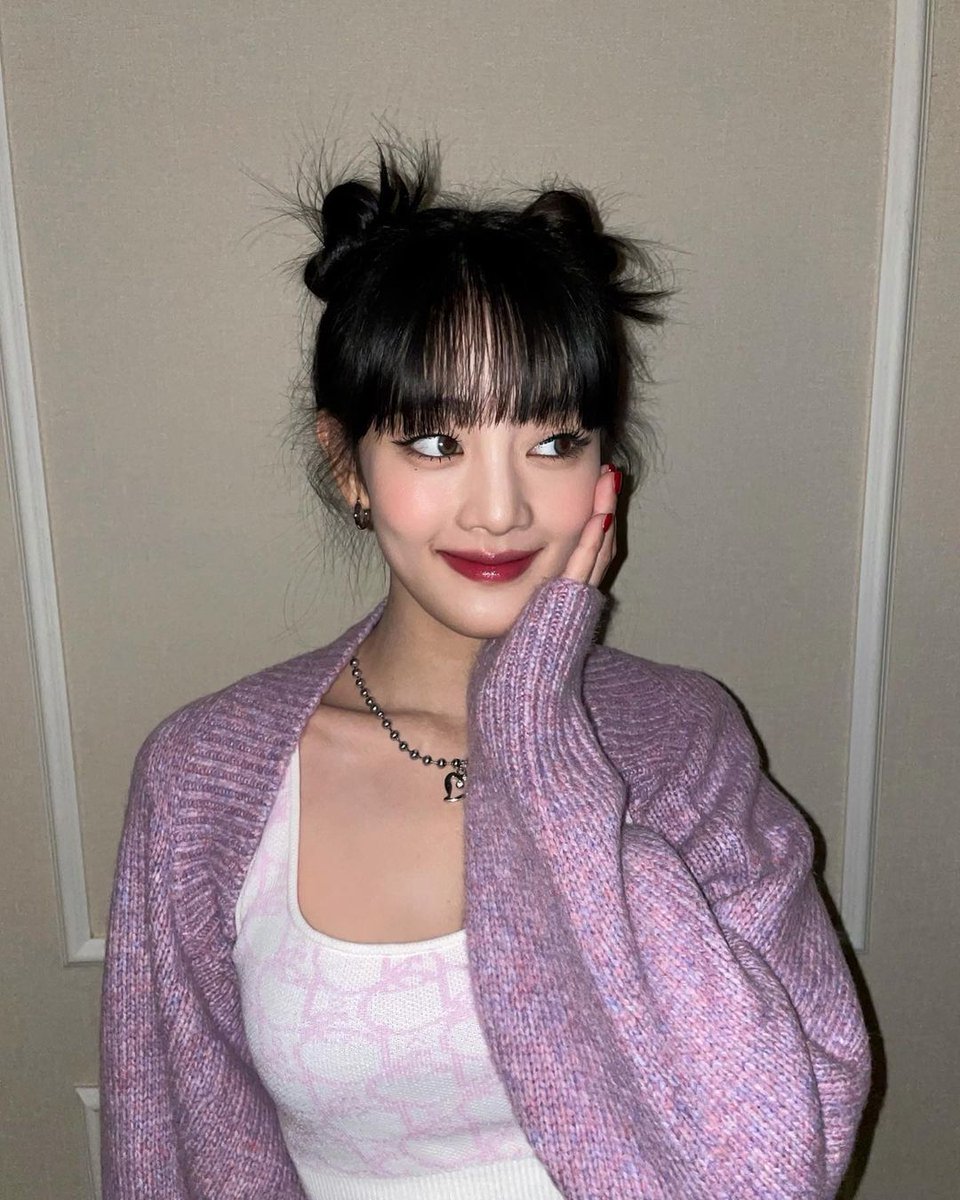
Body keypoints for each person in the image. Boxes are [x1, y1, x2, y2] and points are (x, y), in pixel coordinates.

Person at [99, 140, 872, 1200]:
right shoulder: (202, 779)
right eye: (435, 442)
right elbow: (168, 1155)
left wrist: (542, 749)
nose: (501, 509)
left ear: (605, 468)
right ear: (346, 463)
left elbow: (778, 1163)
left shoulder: (685, 743)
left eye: (553, 442)